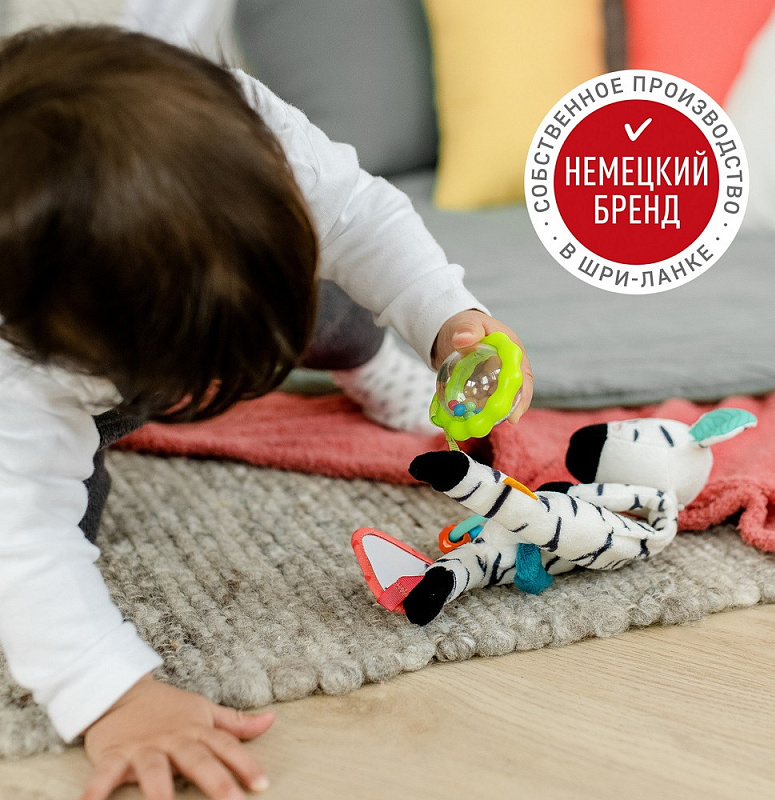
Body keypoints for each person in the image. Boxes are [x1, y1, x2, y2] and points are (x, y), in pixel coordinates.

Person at [0, 25, 534, 800]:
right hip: (51, 389)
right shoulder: (24, 373)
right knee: (54, 543)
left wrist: (447, 318)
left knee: (324, 297)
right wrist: (114, 696)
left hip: (214, 286)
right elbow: (22, 543)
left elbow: (360, 220)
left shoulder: (247, 134)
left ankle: (359, 355)